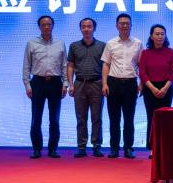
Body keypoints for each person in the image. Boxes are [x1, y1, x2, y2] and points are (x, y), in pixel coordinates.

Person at [23, 15, 67, 159]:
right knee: (36, 118)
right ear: (39, 27)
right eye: (44, 24)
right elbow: (26, 66)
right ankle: (37, 149)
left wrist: (65, 84)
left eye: (49, 24)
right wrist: (27, 85)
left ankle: (53, 149)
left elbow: (64, 65)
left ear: (53, 26)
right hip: (38, 83)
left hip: (55, 83)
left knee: (54, 119)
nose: (46, 27)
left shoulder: (60, 43)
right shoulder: (31, 43)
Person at [101, 13, 143, 159]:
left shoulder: (138, 43)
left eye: (127, 23)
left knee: (129, 118)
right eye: (121, 23)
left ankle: (128, 148)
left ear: (131, 25)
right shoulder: (110, 44)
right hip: (113, 83)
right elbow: (106, 64)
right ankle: (114, 148)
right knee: (114, 118)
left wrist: (141, 83)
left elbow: (141, 65)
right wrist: (104, 84)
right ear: (117, 26)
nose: (124, 25)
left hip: (130, 84)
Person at [66, 17, 105, 158]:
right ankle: (81, 147)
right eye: (84, 26)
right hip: (79, 84)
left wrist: (105, 84)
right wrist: (71, 84)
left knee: (96, 117)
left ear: (94, 28)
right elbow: (70, 65)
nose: (86, 29)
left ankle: (96, 146)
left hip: (97, 83)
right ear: (80, 29)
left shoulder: (102, 46)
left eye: (89, 26)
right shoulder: (74, 46)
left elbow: (105, 67)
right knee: (81, 117)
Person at [138, 23, 173, 147]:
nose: (160, 36)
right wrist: (152, 88)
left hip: (166, 88)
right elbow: (142, 72)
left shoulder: (171, 52)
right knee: (151, 117)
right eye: (157, 34)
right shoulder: (145, 53)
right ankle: (152, 147)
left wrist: (165, 88)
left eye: (162, 34)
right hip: (150, 89)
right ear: (151, 36)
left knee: (165, 118)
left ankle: (165, 146)